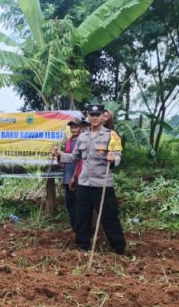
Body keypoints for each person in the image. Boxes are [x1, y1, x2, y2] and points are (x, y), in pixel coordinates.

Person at [53, 103, 126, 254]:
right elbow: (74, 157)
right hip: (84, 184)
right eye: (91, 115)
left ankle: (119, 248)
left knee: (109, 216)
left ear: (103, 117)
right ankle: (82, 245)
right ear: (88, 116)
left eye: (97, 115)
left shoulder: (111, 135)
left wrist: (113, 159)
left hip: (102, 183)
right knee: (82, 216)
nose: (94, 118)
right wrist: (60, 154)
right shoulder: (82, 137)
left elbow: (118, 156)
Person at [60, 116, 85, 232]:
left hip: (79, 177)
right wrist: (57, 156)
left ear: (80, 128)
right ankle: (74, 227)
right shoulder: (68, 142)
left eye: (76, 127)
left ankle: (81, 228)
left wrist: (74, 177)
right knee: (70, 203)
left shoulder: (83, 141)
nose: (73, 129)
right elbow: (63, 161)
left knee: (79, 204)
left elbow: (81, 160)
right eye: (72, 127)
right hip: (67, 176)